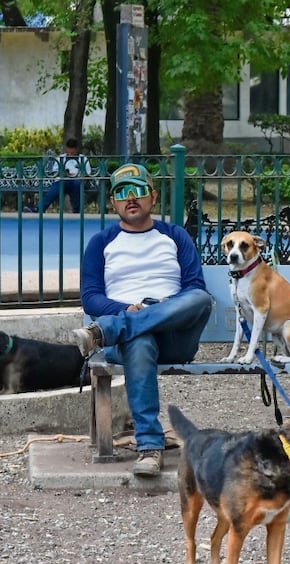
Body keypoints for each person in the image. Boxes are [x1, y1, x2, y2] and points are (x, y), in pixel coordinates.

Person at [72, 163, 214, 477]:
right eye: (122, 193)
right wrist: (128, 308)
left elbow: (194, 287)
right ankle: (149, 447)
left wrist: (151, 310)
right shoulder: (101, 243)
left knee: (201, 299)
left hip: (175, 335)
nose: (130, 198)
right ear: (113, 203)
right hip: (129, 343)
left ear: (152, 197)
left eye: (138, 190)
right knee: (139, 339)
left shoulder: (174, 235)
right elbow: (91, 297)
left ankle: (108, 329)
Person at [31, 138, 91, 213]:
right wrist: (64, 173)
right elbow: (55, 172)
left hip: (77, 181)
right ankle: (39, 208)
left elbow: (88, 174)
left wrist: (77, 175)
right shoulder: (61, 158)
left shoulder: (83, 159)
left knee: (77, 184)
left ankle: (77, 210)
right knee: (57, 186)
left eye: (72, 152)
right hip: (63, 181)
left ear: (76, 149)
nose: (71, 154)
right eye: (69, 152)